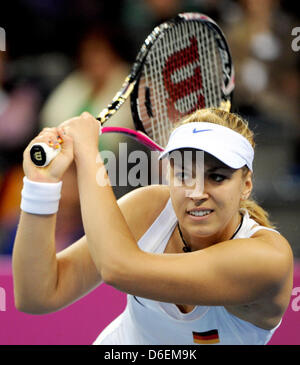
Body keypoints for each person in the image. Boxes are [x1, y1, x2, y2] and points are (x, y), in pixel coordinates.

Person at [12, 108, 293, 345]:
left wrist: (88, 152)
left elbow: (118, 268)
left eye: (217, 177)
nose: (197, 192)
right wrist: (41, 186)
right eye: (183, 175)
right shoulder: (150, 207)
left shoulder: (268, 259)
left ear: (246, 185)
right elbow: (37, 295)